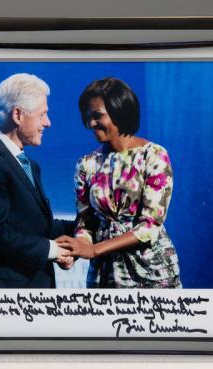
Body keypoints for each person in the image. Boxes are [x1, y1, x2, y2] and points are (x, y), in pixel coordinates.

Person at [57, 77, 181, 288]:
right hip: (104, 275)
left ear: (119, 111)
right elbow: (85, 222)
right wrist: (79, 246)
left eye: (97, 116)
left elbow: (149, 226)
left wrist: (94, 249)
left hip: (152, 271)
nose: (91, 124)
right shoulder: (86, 164)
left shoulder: (154, 156)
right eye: (87, 117)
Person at [0, 73, 74, 289]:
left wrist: (85, 228)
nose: (47, 123)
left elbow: (37, 227)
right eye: (42, 115)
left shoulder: (29, 165)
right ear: (18, 115)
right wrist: (52, 251)